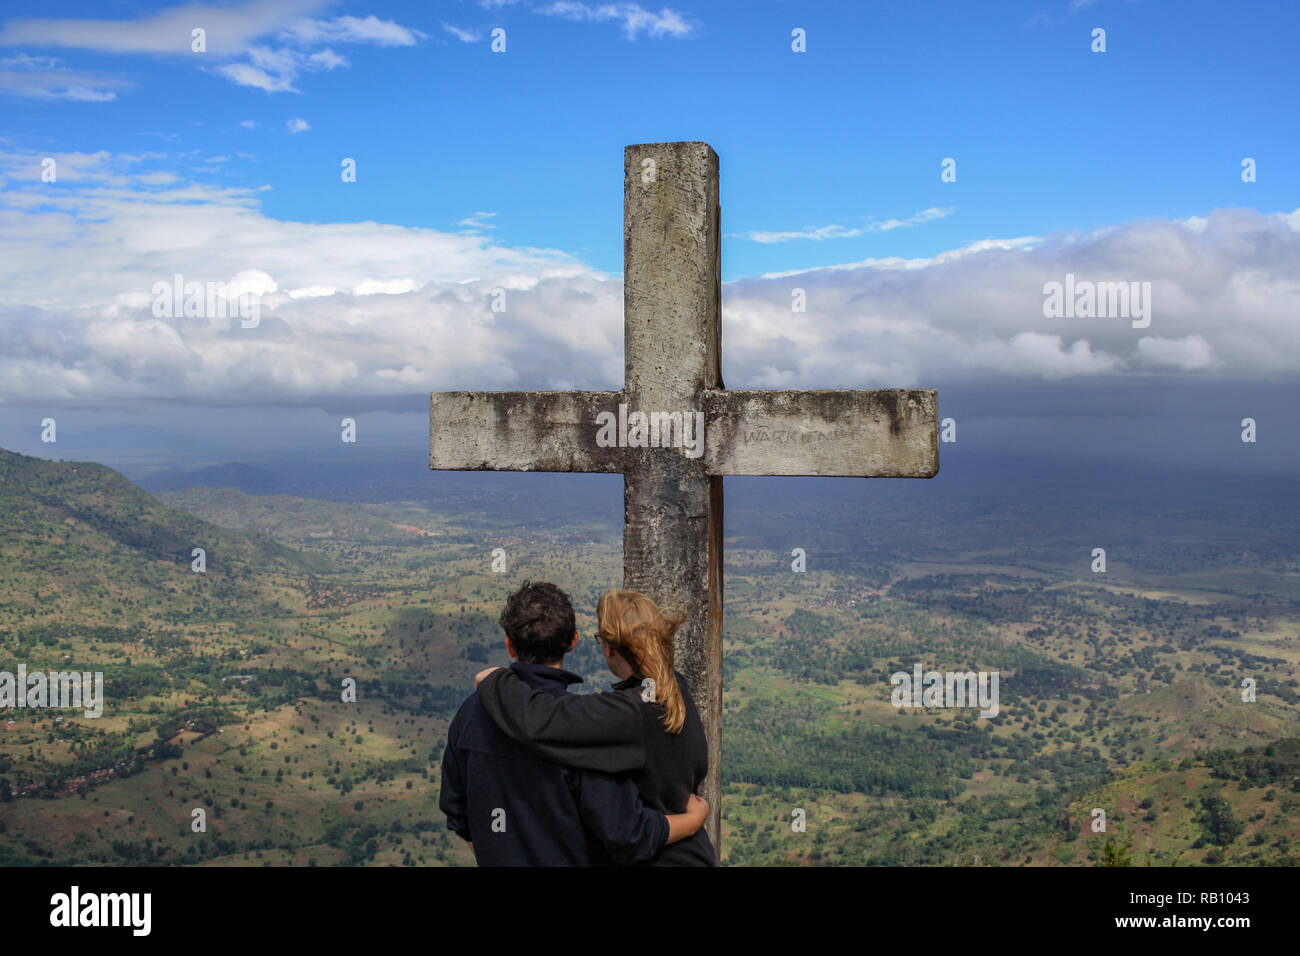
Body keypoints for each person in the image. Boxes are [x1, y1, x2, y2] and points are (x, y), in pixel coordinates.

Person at [439, 580, 708, 866]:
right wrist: (692, 822)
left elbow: (457, 810)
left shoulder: (469, 715)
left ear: (509, 644)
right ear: (573, 642)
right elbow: (624, 832)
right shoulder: (587, 736)